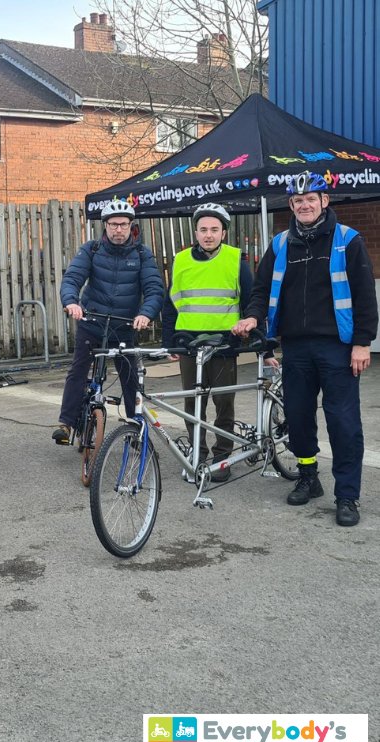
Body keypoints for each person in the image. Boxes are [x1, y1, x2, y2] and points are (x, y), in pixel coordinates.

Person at [233, 171, 378, 526]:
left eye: (311, 199)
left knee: (343, 422)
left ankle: (347, 495)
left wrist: (362, 343)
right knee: (297, 417)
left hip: (338, 348)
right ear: (292, 206)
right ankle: (308, 476)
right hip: (295, 347)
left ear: (324, 201)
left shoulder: (348, 240)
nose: (304, 205)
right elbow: (261, 289)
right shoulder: (282, 243)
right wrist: (253, 317)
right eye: (298, 201)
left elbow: (364, 297)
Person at [161, 203, 277, 482]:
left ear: (223, 232)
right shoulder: (181, 260)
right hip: (188, 342)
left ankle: (222, 456)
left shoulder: (236, 260)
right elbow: (170, 304)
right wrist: (169, 343)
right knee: (193, 403)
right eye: (203, 229)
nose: (208, 235)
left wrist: (266, 346)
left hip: (225, 344)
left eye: (214, 229)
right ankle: (198, 455)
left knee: (224, 400)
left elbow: (252, 304)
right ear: (196, 232)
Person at [53, 199, 164, 444]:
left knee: (130, 377)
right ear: (105, 226)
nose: (118, 230)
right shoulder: (91, 250)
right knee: (78, 371)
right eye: (113, 224)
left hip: (124, 327)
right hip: (92, 323)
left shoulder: (142, 254)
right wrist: (72, 302)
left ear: (131, 225)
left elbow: (155, 289)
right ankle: (66, 423)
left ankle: (135, 427)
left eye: (123, 224)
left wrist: (145, 314)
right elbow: (72, 278)